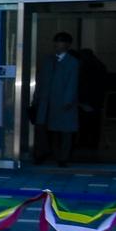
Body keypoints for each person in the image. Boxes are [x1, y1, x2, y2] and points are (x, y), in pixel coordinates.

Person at [32, 31, 81, 167]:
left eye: (61, 42)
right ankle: (43, 154)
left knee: (64, 131)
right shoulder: (49, 60)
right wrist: (36, 98)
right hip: (46, 101)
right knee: (44, 128)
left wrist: (68, 101)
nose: (57, 45)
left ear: (67, 45)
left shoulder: (72, 62)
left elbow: (72, 83)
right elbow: (40, 81)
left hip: (62, 102)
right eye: (56, 41)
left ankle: (62, 158)